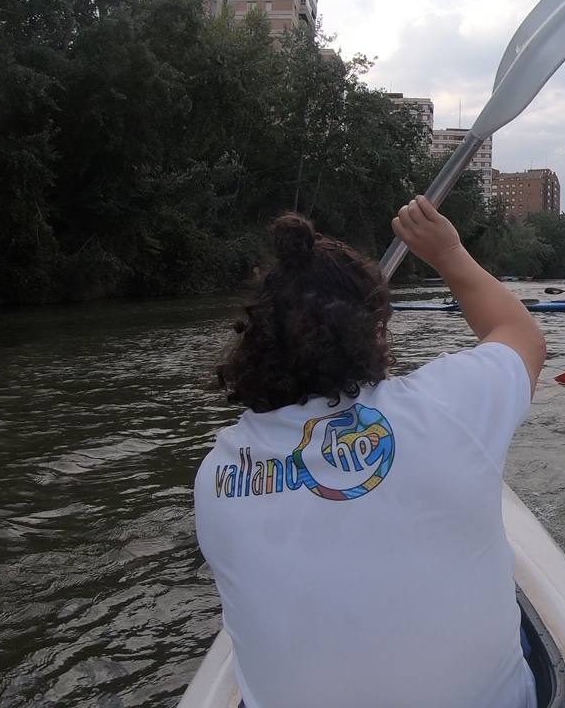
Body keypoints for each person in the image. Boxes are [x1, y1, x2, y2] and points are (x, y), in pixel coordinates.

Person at [194, 197, 546, 708]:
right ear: (375, 331)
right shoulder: (447, 406)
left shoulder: (217, 473)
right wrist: (448, 252)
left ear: (260, 337)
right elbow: (522, 336)